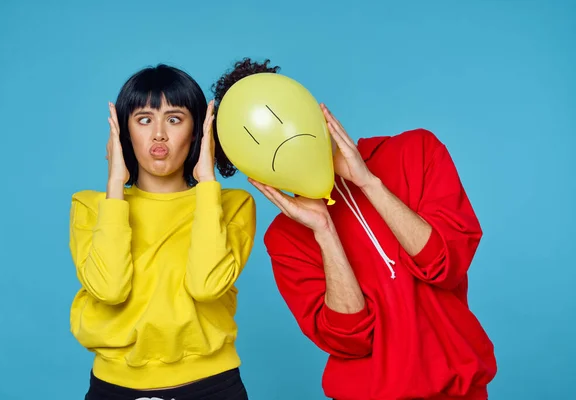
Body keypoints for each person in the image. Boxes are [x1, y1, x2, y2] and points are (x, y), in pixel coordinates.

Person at [212, 58, 497, 400]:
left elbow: (445, 266)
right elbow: (349, 339)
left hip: (459, 390)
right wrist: (324, 231)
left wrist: (369, 183)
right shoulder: (285, 238)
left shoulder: (417, 151)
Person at [69, 64, 255, 400]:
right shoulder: (91, 207)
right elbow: (110, 289)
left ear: (197, 131)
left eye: (174, 119)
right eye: (143, 119)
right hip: (114, 389)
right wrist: (114, 185)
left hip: (212, 387)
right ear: (123, 132)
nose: (158, 134)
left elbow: (206, 286)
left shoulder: (231, 205)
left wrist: (207, 183)